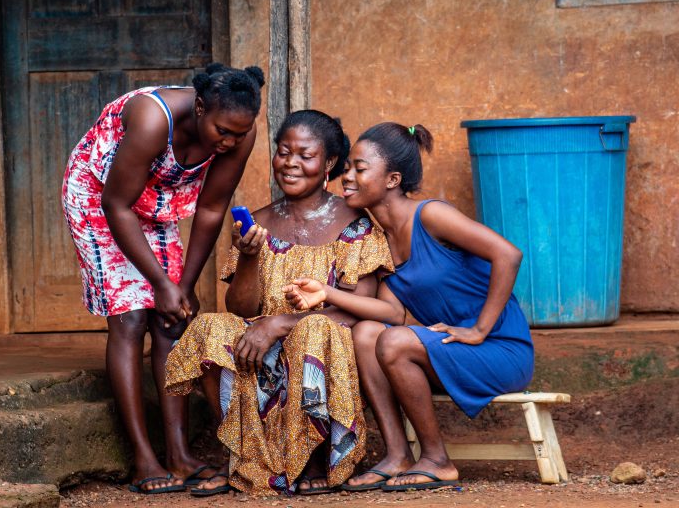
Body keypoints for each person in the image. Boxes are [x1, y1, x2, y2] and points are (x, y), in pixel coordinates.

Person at [283, 122, 534, 492]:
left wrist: (480, 329)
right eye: (348, 168)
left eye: (359, 168)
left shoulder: (430, 216)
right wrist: (327, 293)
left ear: (392, 179)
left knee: (395, 342)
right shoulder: (381, 241)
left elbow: (508, 254)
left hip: (499, 349)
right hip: (452, 349)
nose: (346, 177)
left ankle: (437, 460)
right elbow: (390, 313)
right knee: (368, 333)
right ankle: (397, 453)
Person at [162, 110, 394, 496]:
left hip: (329, 348)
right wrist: (250, 257)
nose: (291, 163)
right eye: (284, 152)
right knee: (207, 328)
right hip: (264, 347)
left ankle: (316, 457)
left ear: (329, 163)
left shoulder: (355, 223)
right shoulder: (257, 222)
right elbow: (239, 308)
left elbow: (358, 307)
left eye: (305, 155)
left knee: (315, 327)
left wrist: (279, 324)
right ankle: (243, 457)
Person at [61, 63, 265, 494]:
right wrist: (160, 282)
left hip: (157, 199)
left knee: (172, 320)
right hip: (101, 196)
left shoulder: (239, 134)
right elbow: (117, 204)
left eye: (239, 134)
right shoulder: (154, 119)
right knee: (131, 318)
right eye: (222, 131)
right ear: (200, 106)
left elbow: (210, 210)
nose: (229, 142)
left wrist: (183, 286)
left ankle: (179, 455)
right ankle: (143, 459)